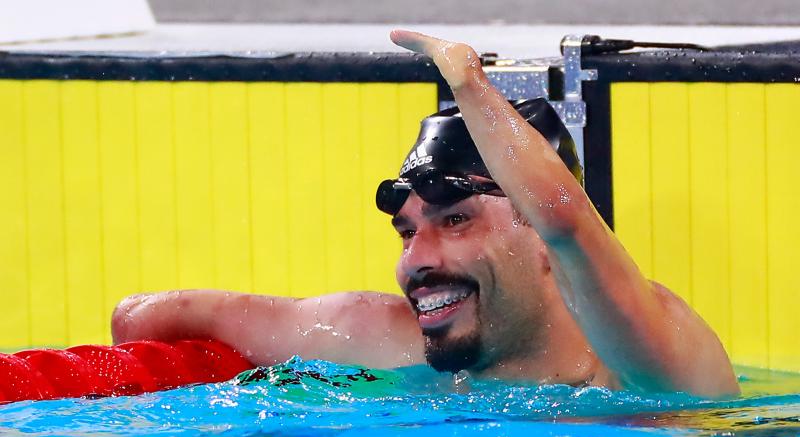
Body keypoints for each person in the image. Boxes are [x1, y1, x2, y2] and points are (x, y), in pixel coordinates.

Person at [112, 30, 739, 398]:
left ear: (538, 240)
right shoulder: (382, 339)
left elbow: (566, 220)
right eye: (408, 232)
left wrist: (470, 86)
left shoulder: (643, 357)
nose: (418, 260)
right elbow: (140, 318)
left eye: (457, 221)